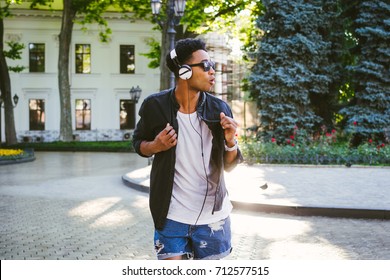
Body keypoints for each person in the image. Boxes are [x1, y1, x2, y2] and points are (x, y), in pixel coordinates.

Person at [132, 38, 243, 260]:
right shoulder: (155, 106)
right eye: (205, 65)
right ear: (183, 72)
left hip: (214, 219)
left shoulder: (219, 109)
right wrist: (155, 145)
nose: (212, 71)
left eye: (211, 65)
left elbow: (229, 166)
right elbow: (138, 144)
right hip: (171, 215)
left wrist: (231, 141)